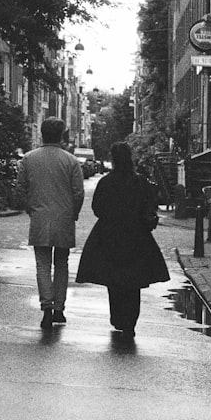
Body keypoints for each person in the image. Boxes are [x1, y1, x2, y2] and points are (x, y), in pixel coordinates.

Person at [76, 142, 169, 339]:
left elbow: (97, 208)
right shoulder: (140, 182)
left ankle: (117, 317)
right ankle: (130, 322)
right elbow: (150, 205)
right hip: (136, 236)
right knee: (134, 281)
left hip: (110, 234)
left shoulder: (106, 182)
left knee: (114, 278)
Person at [17, 117, 85, 328]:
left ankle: (46, 306)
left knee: (42, 265)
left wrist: (30, 207)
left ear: (42, 135)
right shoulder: (70, 161)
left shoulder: (28, 159)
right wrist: (73, 212)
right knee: (62, 264)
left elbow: (21, 188)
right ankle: (59, 308)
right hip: (64, 218)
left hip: (39, 217)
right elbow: (78, 192)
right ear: (61, 135)